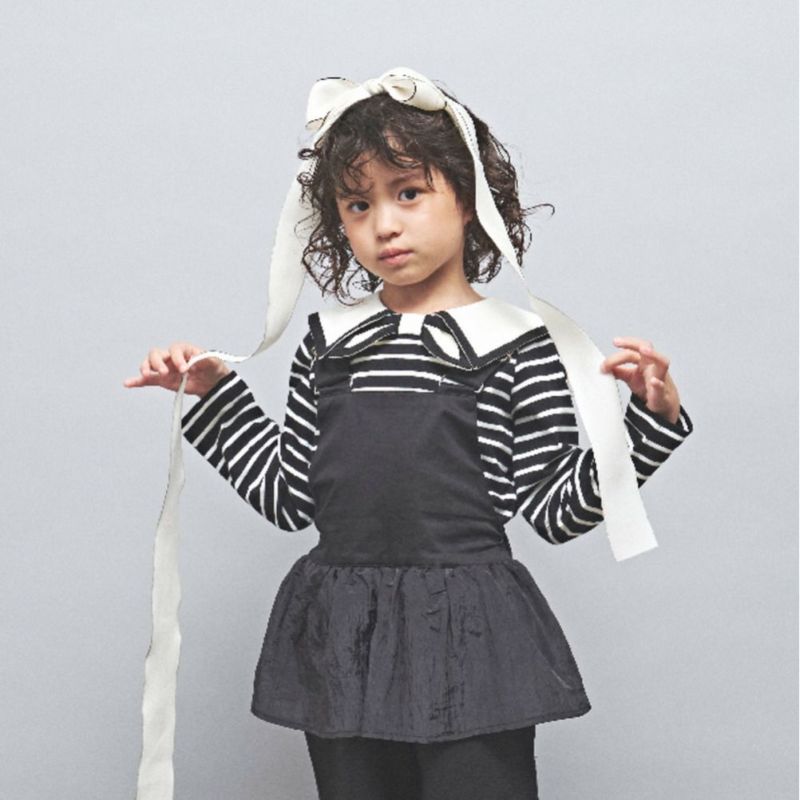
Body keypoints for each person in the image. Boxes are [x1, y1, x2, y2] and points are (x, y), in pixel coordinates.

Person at [124, 71, 694, 800]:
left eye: (409, 193)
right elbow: (289, 499)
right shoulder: (328, 343)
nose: (383, 225)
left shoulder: (519, 344)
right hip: (342, 634)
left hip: (471, 633)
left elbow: (557, 511)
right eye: (358, 204)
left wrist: (648, 423)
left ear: (469, 198)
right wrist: (215, 397)